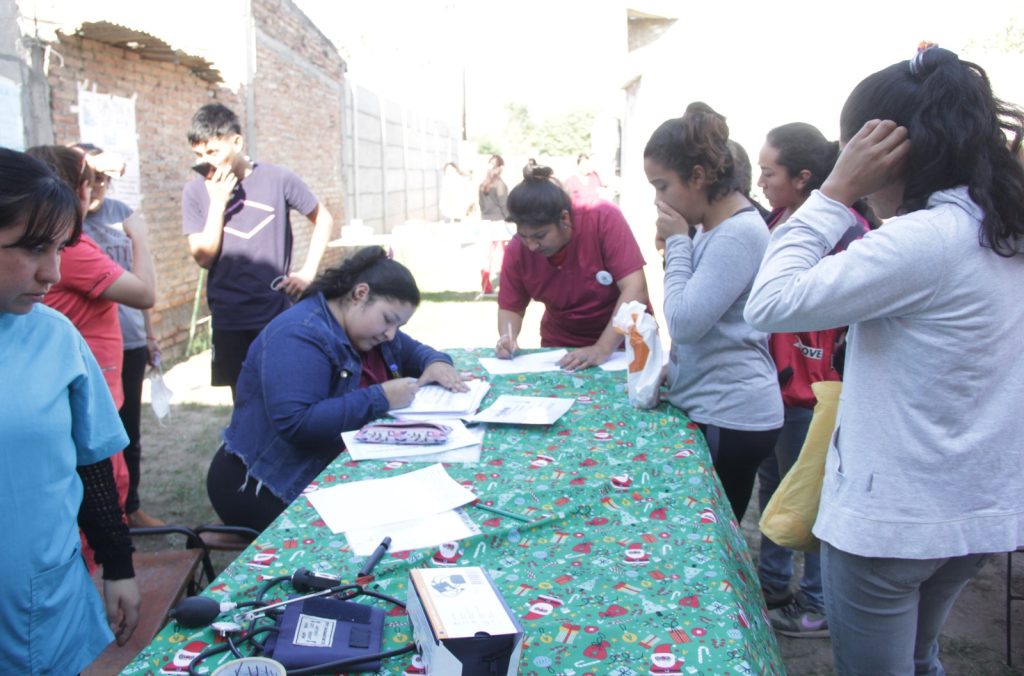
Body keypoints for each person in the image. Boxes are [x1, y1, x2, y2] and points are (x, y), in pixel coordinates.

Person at [744, 46, 1024, 674]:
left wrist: (834, 192)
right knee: (921, 658)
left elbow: (770, 302)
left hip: (892, 524)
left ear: (885, 153)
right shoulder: (999, 226)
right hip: (974, 513)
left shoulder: (924, 240)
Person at [206, 246, 467, 530]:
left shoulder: (372, 331)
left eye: (398, 325)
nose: (391, 333)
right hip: (265, 485)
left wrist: (438, 361)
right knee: (385, 527)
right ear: (360, 294)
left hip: (324, 471)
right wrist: (381, 398)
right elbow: (297, 423)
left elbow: (415, 352)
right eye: (389, 320)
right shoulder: (299, 335)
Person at [0, 147, 140, 673]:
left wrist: (118, 562)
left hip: (43, 607)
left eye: (60, 248)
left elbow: (89, 459)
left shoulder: (55, 337)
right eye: (35, 249)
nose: (53, 273)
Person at [752, 122, 871, 637]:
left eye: (768, 172)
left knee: (815, 497)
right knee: (776, 487)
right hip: (779, 387)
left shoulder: (847, 237)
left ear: (802, 178)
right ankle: (774, 584)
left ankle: (817, 601)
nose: (761, 182)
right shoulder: (785, 220)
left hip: (816, 393)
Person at [642, 102, 783, 522]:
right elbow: (709, 323)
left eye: (662, 186)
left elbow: (684, 323)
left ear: (699, 177)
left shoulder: (737, 233)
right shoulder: (713, 227)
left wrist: (678, 243)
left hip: (731, 416)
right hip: (718, 408)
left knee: (707, 536)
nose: (657, 199)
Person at [182, 103, 335, 395]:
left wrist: (307, 272)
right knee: (244, 399)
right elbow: (203, 256)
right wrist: (217, 202)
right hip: (229, 315)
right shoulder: (196, 190)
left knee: (288, 393)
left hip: (275, 311)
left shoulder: (277, 179)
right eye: (198, 156)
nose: (206, 163)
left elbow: (323, 219)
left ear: (236, 141)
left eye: (213, 152)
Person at [75, 142, 164, 528]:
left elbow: (144, 280)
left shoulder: (122, 215)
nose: (97, 189)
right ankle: (100, 513)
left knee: (128, 430)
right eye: (90, 179)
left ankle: (130, 507)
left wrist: (149, 335)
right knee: (94, 437)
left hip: (125, 339)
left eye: (103, 181)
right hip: (88, 344)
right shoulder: (68, 220)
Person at [495, 163, 652, 370]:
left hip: (626, 344)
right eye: (524, 236)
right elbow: (510, 306)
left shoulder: (601, 217)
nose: (531, 246)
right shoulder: (517, 249)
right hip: (562, 346)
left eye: (540, 236)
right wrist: (508, 337)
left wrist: (602, 348)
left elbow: (635, 290)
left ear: (565, 218)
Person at [478, 154, 509, 221]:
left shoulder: (482, 185)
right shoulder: (499, 184)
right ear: (500, 168)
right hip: (498, 219)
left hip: (485, 218)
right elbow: (503, 204)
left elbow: (481, 203)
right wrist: (509, 218)